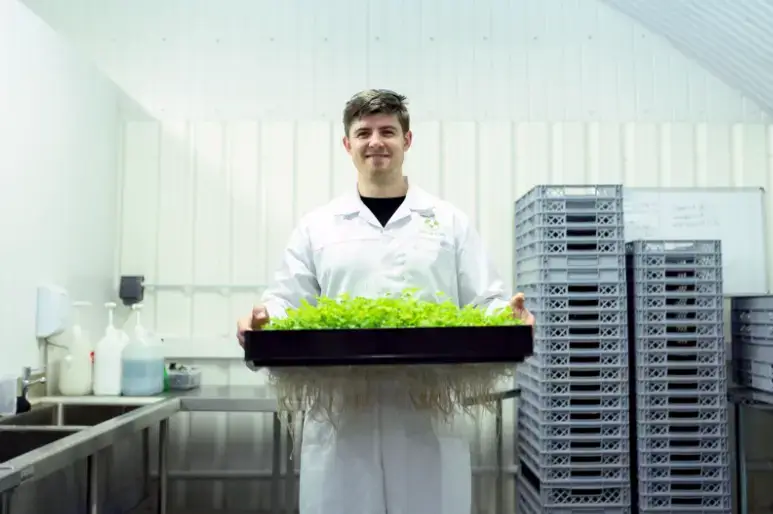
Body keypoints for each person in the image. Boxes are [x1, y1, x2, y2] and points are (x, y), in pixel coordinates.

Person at [236, 89, 535, 514]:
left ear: (407, 140)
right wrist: (263, 320)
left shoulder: (447, 222)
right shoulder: (318, 226)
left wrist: (507, 319)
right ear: (348, 144)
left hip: (426, 412)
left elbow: (486, 298)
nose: (376, 141)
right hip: (342, 417)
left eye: (388, 132)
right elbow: (286, 302)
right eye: (364, 133)